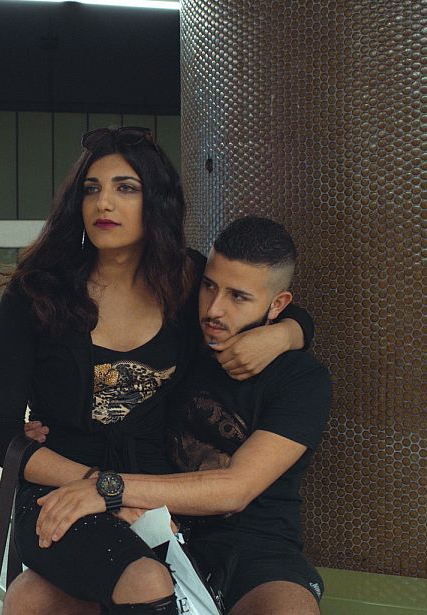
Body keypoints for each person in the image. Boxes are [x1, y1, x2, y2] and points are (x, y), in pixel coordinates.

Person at [0, 127, 315, 614]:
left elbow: (261, 301)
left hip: (156, 494)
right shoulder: (36, 294)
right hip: (63, 490)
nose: (104, 203)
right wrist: (101, 486)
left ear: (155, 201)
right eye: (91, 189)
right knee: (143, 579)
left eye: (126, 188)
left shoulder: (185, 281)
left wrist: (287, 334)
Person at [26, 216, 332, 615]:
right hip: (154, 531)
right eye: (209, 286)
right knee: (31, 597)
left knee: (290, 610)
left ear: (277, 305)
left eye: (238, 297)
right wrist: (48, 423)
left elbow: (235, 489)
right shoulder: (178, 340)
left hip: (258, 550)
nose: (214, 309)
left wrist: (108, 488)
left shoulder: (302, 380)